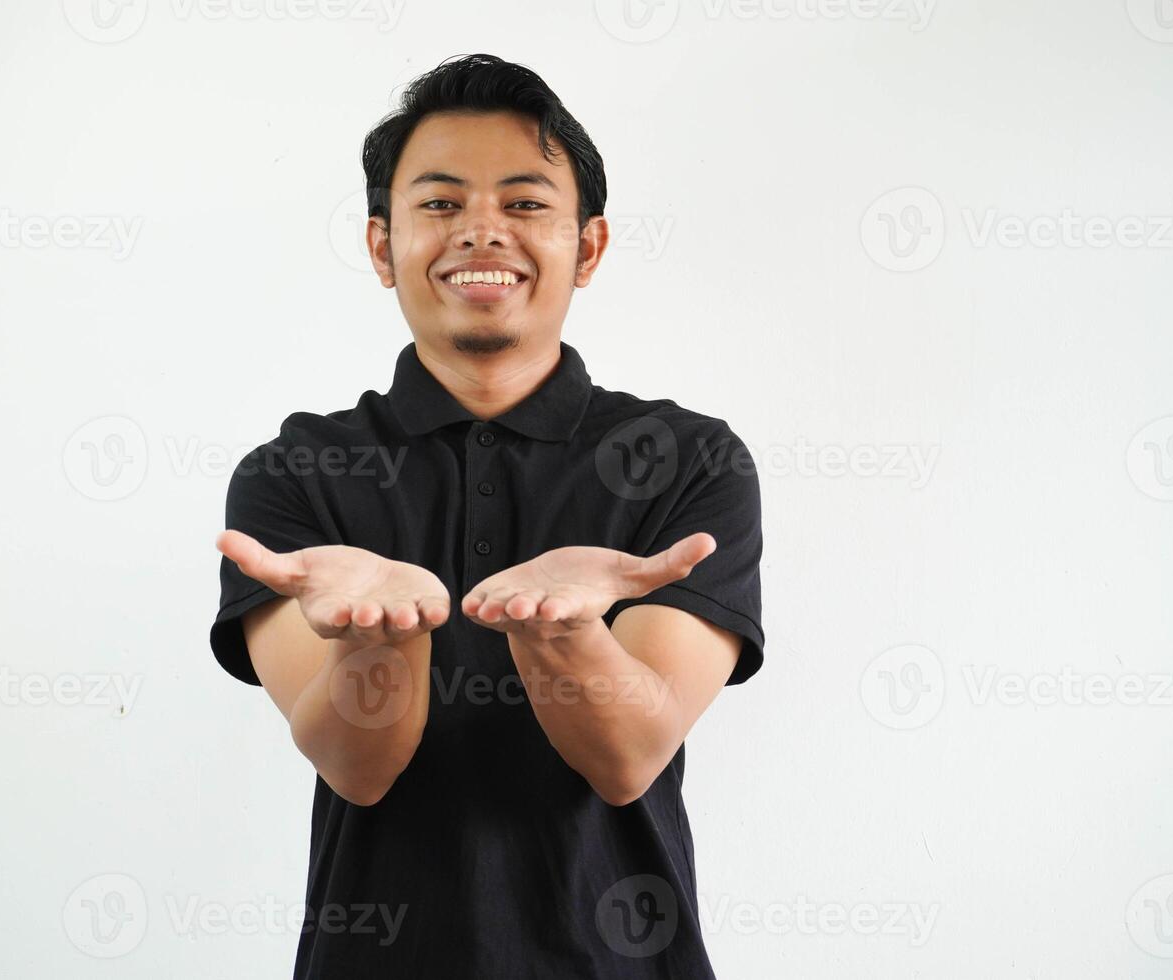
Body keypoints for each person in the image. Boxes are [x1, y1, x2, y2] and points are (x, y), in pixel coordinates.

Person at [210, 53, 765, 979]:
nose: (481, 231)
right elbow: (357, 765)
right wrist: (380, 635)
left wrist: (566, 632)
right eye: (437, 204)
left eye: (524, 203)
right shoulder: (295, 475)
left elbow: (627, 757)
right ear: (383, 247)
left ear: (586, 248)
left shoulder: (689, 461)